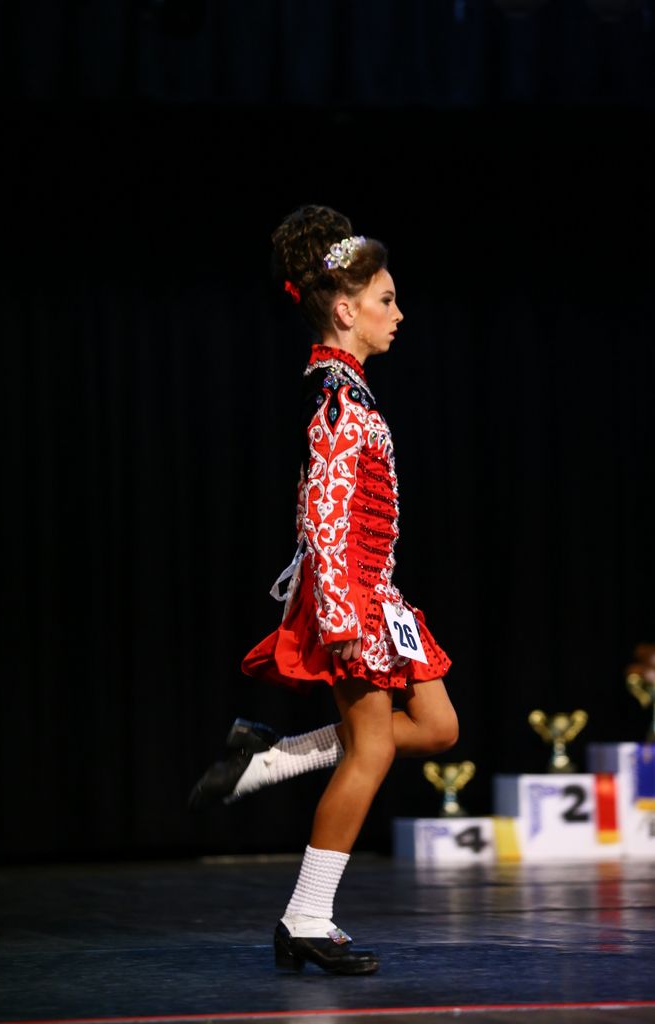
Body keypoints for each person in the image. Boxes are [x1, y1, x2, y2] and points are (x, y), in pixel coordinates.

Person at [188, 204, 458, 975]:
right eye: (385, 300)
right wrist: (340, 616)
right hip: (351, 597)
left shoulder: (353, 392)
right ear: (345, 310)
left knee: (437, 728)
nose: (397, 315)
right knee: (370, 749)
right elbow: (323, 513)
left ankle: (269, 759)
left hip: (374, 591)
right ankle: (306, 917)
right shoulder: (337, 399)